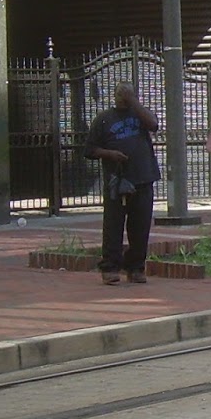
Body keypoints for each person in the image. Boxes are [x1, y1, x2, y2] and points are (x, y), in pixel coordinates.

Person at [85, 81, 160, 286]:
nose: (122, 97)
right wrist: (110, 154)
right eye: (119, 94)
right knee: (113, 224)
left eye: (126, 94)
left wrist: (134, 102)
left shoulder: (140, 115)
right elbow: (89, 149)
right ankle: (110, 266)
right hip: (116, 180)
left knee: (141, 225)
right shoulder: (104, 119)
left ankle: (136, 267)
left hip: (143, 177)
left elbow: (154, 124)